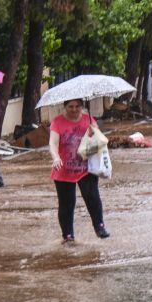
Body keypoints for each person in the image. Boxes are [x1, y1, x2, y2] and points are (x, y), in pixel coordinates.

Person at [49, 99, 110, 243]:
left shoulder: (89, 120)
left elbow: (99, 140)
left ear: (82, 106)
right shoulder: (57, 122)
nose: (74, 109)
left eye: (77, 106)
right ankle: (68, 235)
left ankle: (99, 227)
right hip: (64, 170)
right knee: (66, 204)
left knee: (93, 198)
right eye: (70, 106)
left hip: (85, 169)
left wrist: (94, 132)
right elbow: (53, 143)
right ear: (65, 107)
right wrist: (56, 158)